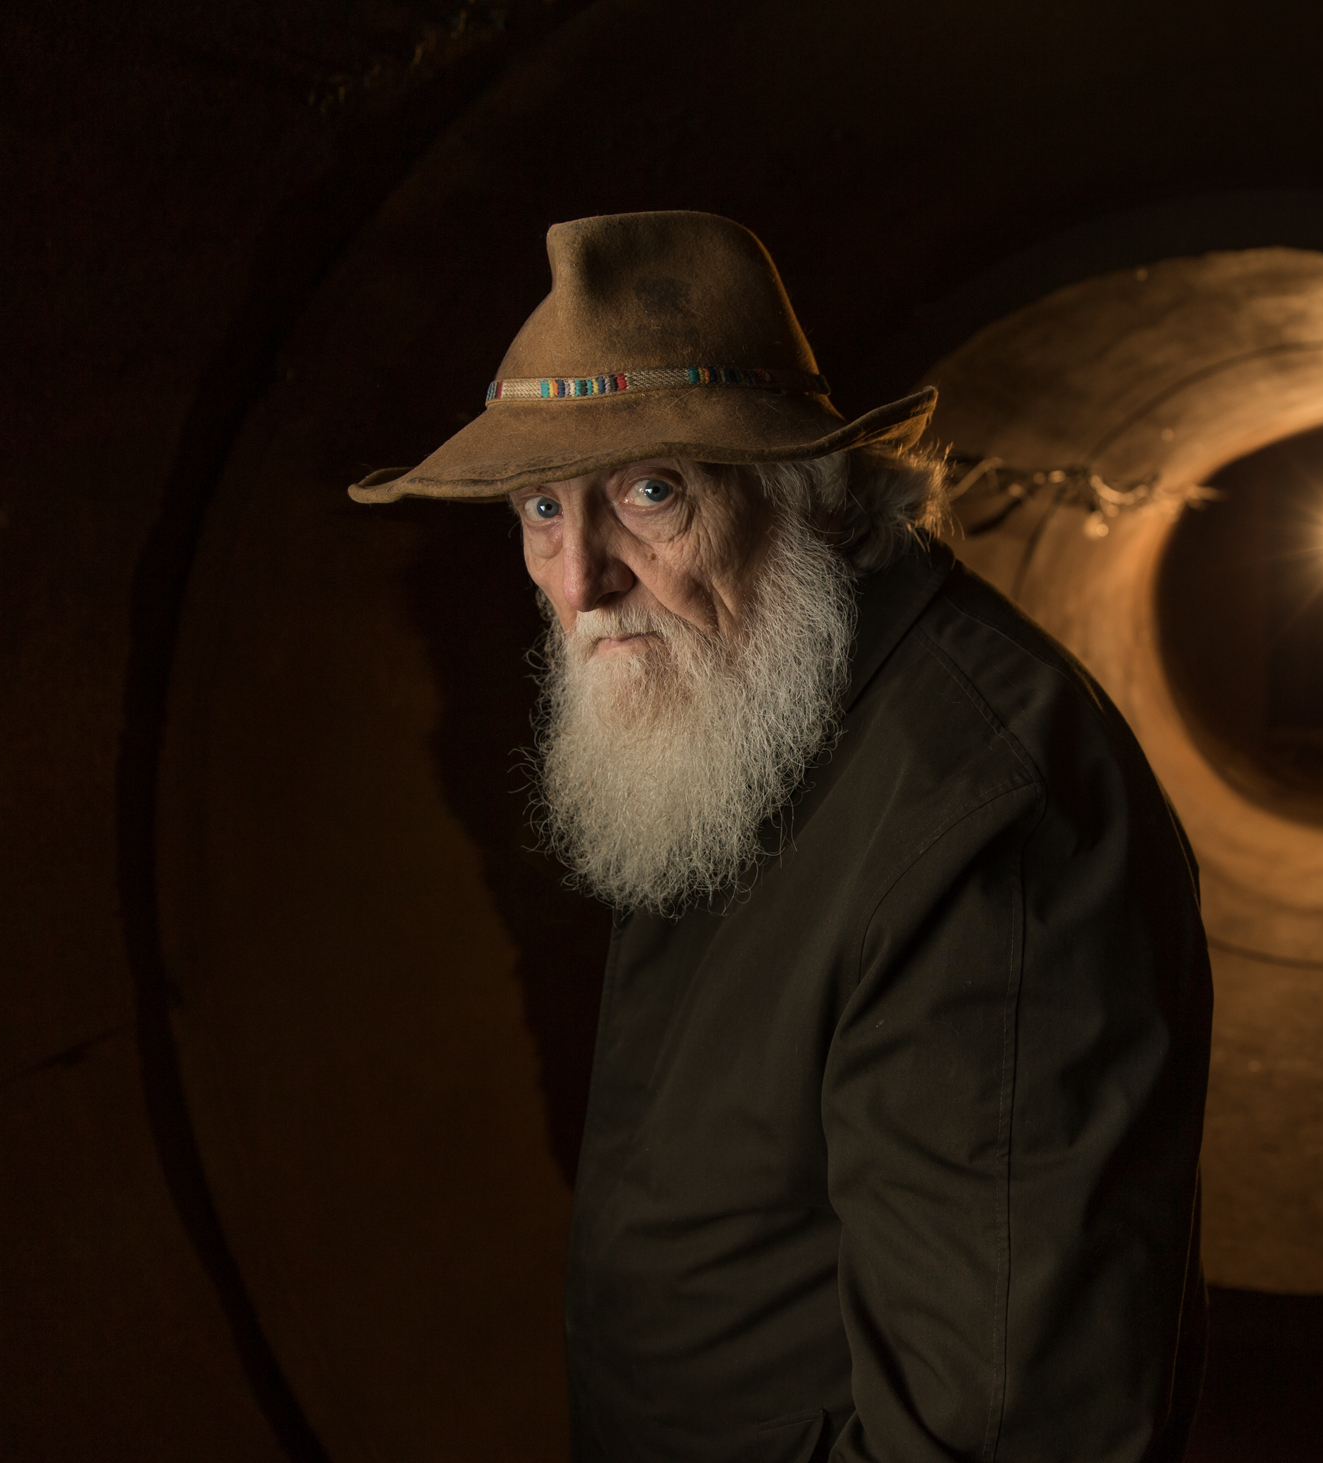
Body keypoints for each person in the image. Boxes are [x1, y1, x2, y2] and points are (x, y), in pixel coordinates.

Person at [349, 211, 1212, 1463]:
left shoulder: (979, 815)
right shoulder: (741, 700)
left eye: (651, 491)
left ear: (807, 489)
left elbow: (1011, 1434)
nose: (580, 576)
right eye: (541, 507)